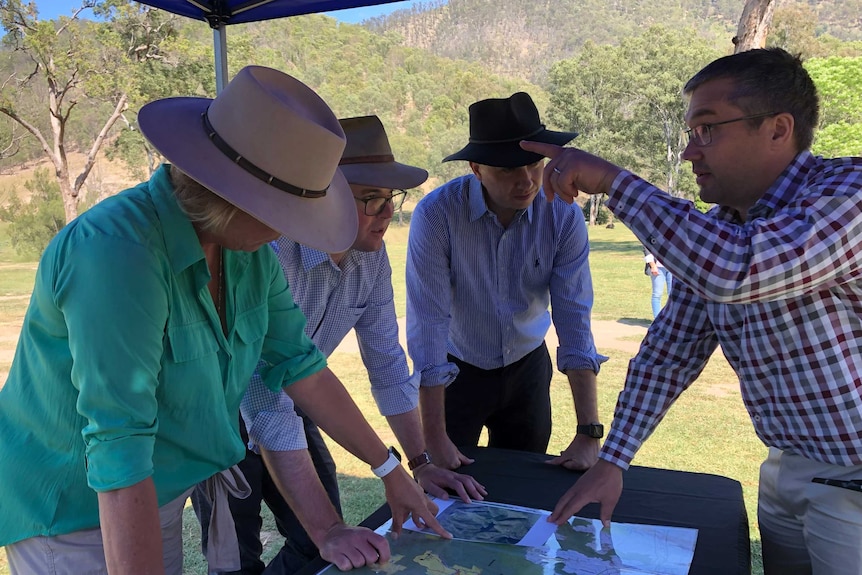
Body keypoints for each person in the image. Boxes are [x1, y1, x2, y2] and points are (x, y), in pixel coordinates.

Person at [0, 65, 446, 575]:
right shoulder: (115, 253)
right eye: (285, 212)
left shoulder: (246, 252)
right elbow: (118, 445)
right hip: (75, 508)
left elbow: (301, 366)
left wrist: (388, 468)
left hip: (157, 492)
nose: (292, 230)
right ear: (231, 194)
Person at [523, 47, 862, 575]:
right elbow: (669, 353)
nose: (689, 152)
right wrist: (613, 459)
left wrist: (615, 181)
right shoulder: (727, 224)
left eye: (706, 130)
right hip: (784, 468)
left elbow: (739, 269)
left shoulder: (849, 193)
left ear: (778, 129)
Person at [194, 115, 485, 574]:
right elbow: (265, 398)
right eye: (371, 199)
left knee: (319, 550)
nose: (387, 213)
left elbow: (387, 364)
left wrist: (420, 463)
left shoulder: (371, 256)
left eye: (391, 199)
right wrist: (336, 517)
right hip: (217, 415)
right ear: (323, 197)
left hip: (300, 402)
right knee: (233, 561)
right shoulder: (268, 251)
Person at [406, 92, 607, 473]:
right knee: (446, 489)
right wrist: (432, 437)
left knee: (522, 487)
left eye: (534, 164)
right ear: (476, 168)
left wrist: (588, 431)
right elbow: (427, 322)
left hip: (527, 368)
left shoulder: (563, 214)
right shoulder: (437, 215)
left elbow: (574, 317)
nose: (526, 181)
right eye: (506, 170)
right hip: (456, 370)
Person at [642, 246, 672, 318]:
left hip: (672, 267)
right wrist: (653, 266)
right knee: (657, 294)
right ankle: (657, 319)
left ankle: (671, 320)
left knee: (672, 295)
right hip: (658, 267)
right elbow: (647, 248)